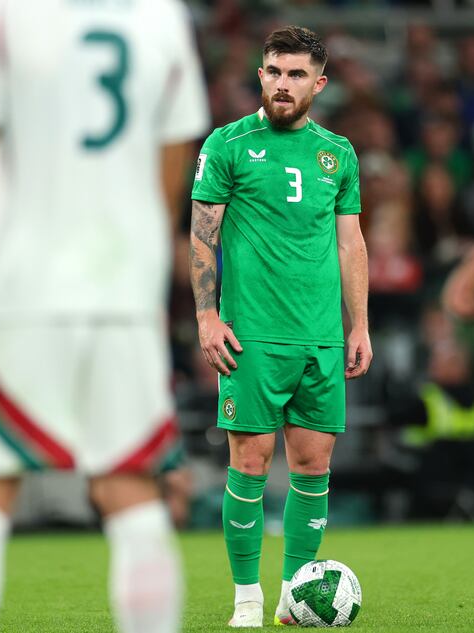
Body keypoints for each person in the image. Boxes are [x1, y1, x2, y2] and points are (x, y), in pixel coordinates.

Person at [0, 1, 209, 632]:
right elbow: (174, 158)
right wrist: (139, 264)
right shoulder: (163, 15)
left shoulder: (1, 10)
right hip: (123, 291)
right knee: (132, 493)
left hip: (22, 286)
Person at [189, 26, 372, 627]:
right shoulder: (228, 144)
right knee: (249, 464)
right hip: (252, 336)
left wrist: (359, 326)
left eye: (296, 74)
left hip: (320, 337)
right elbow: (203, 235)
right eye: (274, 71)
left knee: (314, 467)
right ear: (260, 75)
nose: (283, 84)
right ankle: (246, 598)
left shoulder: (337, 153)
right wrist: (206, 315)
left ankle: (296, 597)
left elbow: (350, 244)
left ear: (319, 84)